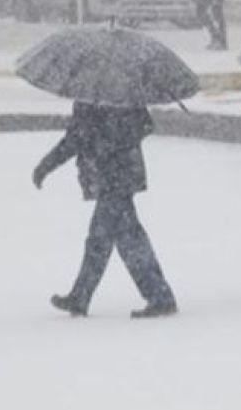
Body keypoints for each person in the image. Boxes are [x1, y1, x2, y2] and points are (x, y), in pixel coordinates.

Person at [33, 101, 178, 319]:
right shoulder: (119, 91)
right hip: (119, 176)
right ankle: (83, 296)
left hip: (114, 179)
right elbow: (142, 125)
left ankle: (158, 297)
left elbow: (75, 139)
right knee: (116, 240)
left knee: (113, 241)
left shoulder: (94, 94)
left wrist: (46, 166)